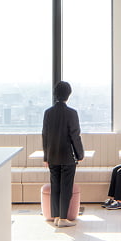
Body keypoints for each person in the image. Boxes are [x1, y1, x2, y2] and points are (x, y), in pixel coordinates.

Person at [41, 80, 84, 228]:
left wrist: (46, 157)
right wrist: (80, 154)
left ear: (55, 94)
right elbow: (75, 136)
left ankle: (57, 217)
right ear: (68, 95)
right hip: (67, 157)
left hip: (52, 156)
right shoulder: (72, 113)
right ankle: (63, 218)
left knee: (55, 187)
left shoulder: (48, 112)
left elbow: (45, 136)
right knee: (66, 188)